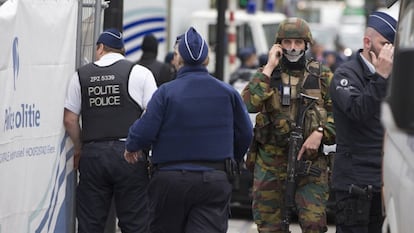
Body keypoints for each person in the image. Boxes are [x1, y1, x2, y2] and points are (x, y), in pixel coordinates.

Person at [123, 27, 253, 233]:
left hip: (170, 181)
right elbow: (246, 132)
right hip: (214, 180)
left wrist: (132, 146)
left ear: (177, 59)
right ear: (207, 60)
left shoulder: (165, 93)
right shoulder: (228, 93)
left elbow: (144, 130)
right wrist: (233, 159)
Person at [241, 17, 335, 233]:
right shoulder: (267, 74)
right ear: (279, 44)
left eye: (298, 43)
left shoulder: (322, 75)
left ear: (306, 44)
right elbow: (247, 104)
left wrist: (321, 132)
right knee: (269, 227)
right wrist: (269, 67)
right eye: (287, 42)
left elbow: (339, 116)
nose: (293, 48)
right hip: (270, 163)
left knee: (314, 225)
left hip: (309, 162)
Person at [63, 28, 157, 233]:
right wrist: (140, 145)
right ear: (122, 50)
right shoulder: (140, 73)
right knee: (135, 224)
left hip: (93, 155)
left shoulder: (81, 75)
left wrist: (79, 149)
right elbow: (154, 115)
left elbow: (70, 119)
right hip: (129, 154)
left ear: (100, 48)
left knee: (90, 225)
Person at [329, 11, 397, 233]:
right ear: (367, 43)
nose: (389, 51)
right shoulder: (345, 75)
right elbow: (358, 111)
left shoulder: (391, 77)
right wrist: (380, 78)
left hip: (383, 181)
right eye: (385, 44)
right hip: (354, 184)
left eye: (392, 46)